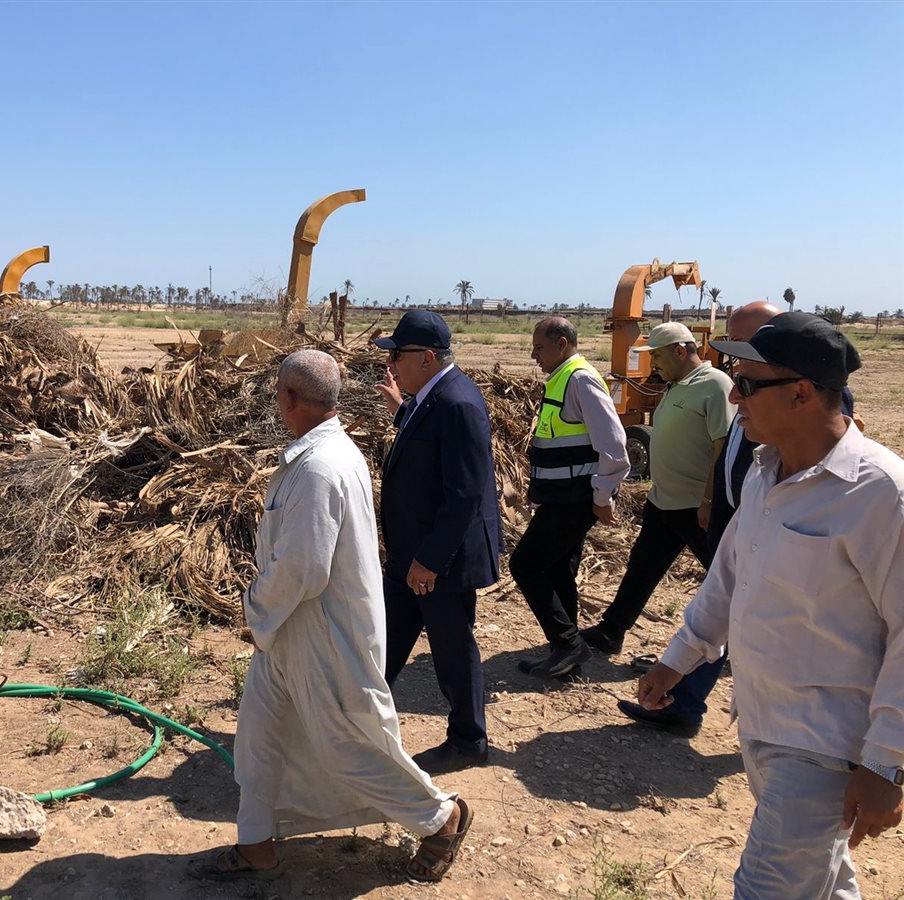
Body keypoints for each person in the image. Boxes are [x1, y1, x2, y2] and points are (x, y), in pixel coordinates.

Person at [636, 312, 902, 899]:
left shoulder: (881, 493)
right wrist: (676, 660)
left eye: (747, 384)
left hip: (825, 746)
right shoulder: (765, 473)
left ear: (801, 393)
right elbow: (728, 580)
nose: (734, 396)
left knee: (767, 888)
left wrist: (887, 763)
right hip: (760, 722)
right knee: (822, 883)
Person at [191, 349, 473, 883]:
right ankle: (256, 844)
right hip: (289, 630)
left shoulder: (320, 468)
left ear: (289, 398)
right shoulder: (321, 455)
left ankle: (441, 818)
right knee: (257, 738)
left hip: (320, 632)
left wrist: (254, 607)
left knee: (345, 747)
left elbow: (303, 568)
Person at [617, 301, 779, 735]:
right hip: (713, 514)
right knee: (712, 596)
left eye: (744, 343)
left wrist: (709, 500)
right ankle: (681, 698)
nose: (734, 358)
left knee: (736, 605)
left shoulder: (735, 390)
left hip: (726, 517)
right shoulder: (732, 390)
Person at [374, 310, 501, 774]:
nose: (392, 363)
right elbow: (428, 444)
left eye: (399, 355)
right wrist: (400, 410)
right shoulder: (431, 398)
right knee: (383, 641)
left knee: (451, 647)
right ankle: (353, 720)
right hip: (412, 557)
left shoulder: (457, 403)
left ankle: (469, 740)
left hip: (438, 561)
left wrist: (429, 559)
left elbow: (464, 492)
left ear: (427, 358)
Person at [580, 321, 734, 655]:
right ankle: (611, 632)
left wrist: (710, 500)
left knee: (726, 578)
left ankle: (744, 645)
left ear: (680, 351)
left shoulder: (715, 384)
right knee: (642, 567)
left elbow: (722, 448)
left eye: (658, 356)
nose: (653, 364)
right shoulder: (674, 385)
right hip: (663, 501)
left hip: (695, 506)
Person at [510, 317, 630, 678]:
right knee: (559, 569)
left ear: (561, 343)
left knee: (525, 565)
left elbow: (614, 446)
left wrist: (602, 497)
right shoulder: (563, 378)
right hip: (561, 496)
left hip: (575, 499)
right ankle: (566, 654)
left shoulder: (580, 379)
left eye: (539, 347)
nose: (534, 355)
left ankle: (568, 645)